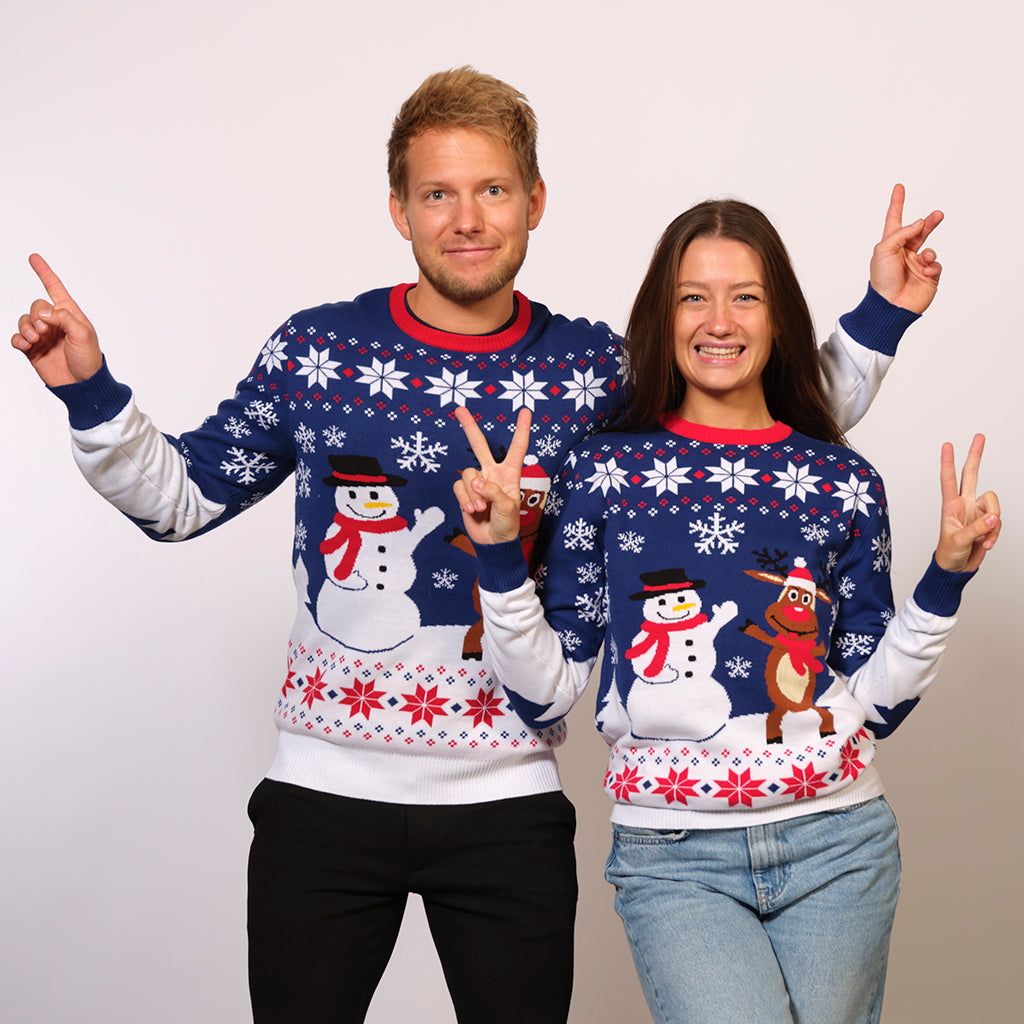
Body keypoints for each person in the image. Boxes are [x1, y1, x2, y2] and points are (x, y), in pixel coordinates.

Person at [11, 65, 943, 1024]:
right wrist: (88, 391)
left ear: (534, 202)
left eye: (492, 189)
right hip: (323, 803)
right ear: (398, 209)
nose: (467, 218)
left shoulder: (590, 370)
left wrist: (881, 317)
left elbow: (753, 440)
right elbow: (181, 498)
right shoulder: (320, 351)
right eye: (438, 193)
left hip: (509, 803)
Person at [452, 199, 999, 1024]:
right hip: (673, 858)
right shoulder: (607, 474)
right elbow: (544, 692)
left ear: (779, 314)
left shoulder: (841, 482)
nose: (718, 321)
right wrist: (498, 557)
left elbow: (875, 704)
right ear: (661, 315)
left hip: (840, 847)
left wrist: (945, 579)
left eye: (745, 295)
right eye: (691, 296)